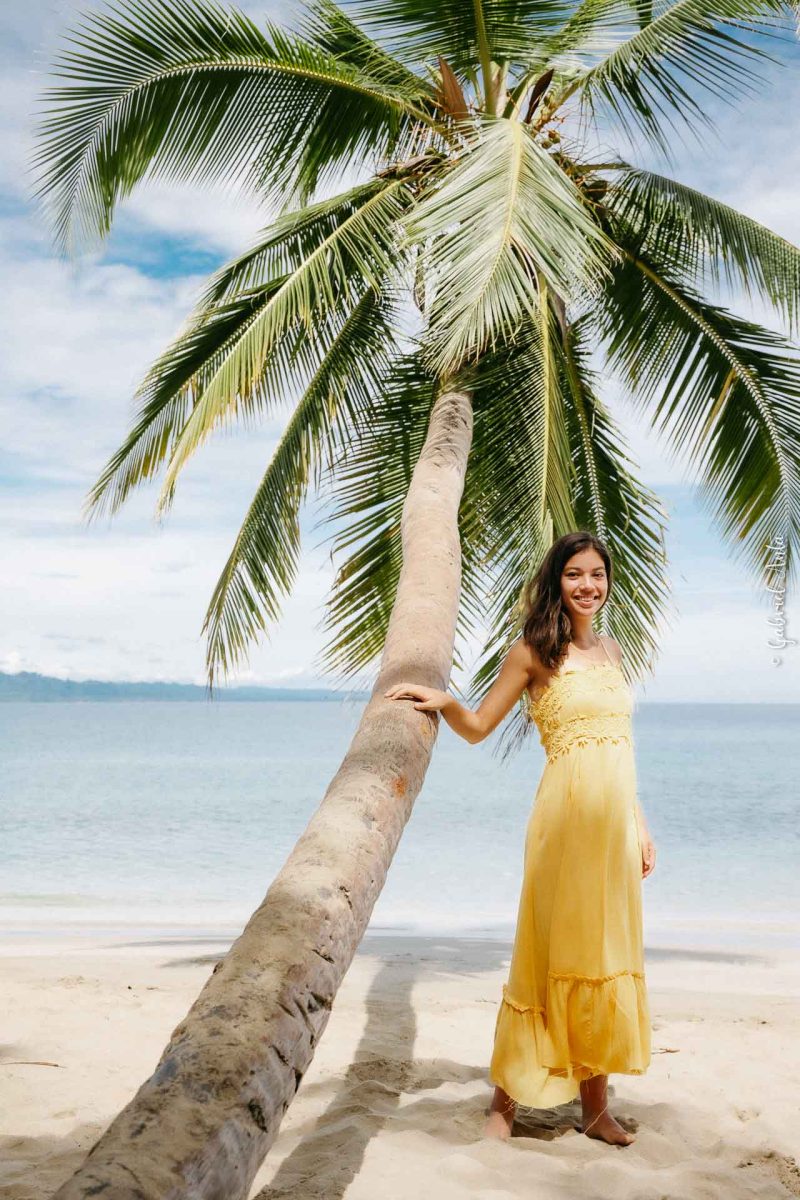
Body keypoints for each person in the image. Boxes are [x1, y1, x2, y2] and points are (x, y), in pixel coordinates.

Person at [385, 530, 656, 1146]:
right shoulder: (532, 652)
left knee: (605, 957)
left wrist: (639, 824)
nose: (587, 585)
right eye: (574, 575)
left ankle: (595, 1108)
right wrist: (444, 702)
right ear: (556, 582)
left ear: (607, 581)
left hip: (613, 828)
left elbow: (622, 748)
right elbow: (480, 727)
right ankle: (504, 1105)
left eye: (596, 574)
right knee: (545, 953)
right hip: (562, 826)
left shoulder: (614, 653)